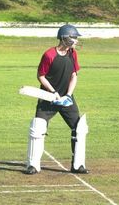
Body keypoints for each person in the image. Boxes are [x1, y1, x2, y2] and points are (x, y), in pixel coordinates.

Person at [25, 24, 89, 175]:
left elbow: (74, 75)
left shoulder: (72, 54)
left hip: (66, 98)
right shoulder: (49, 55)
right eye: (74, 38)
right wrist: (53, 92)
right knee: (38, 128)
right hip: (48, 97)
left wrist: (68, 95)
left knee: (79, 128)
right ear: (65, 38)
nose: (76, 41)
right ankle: (33, 165)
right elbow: (40, 76)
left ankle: (78, 165)